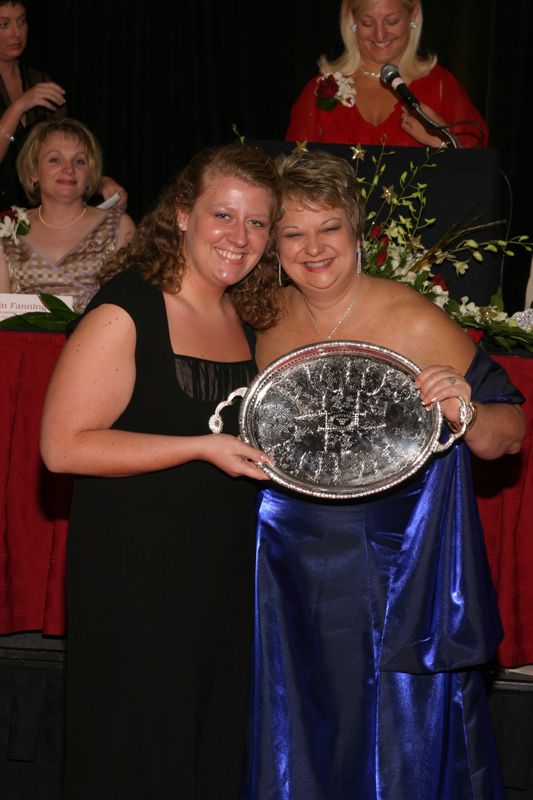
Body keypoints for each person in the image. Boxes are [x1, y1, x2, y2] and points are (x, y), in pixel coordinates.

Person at [239, 149, 525, 800]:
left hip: (387, 570)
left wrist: (467, 406)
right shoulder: (262, 314)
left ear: (356, 229)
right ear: (272, 244)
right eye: (292, 232)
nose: (313, 248)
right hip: (282, 564)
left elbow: (507, 436)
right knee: (300, 730)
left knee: (393, 741)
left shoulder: (407, 317)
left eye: (328, 228)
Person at [40, 142, 279, 800]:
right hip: (138, 579)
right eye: (223, 216)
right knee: (138, 753)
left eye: (256, 222)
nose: (239, 237)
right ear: (181, 214)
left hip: (221, 578)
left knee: (206, 749)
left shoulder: (244, 316)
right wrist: (196, 447)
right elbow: (62, 447)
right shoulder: (128, 308)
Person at [286, 0, 489, 148]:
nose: (380, 35)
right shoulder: (322, 89)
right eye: (367, 22)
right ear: (351, 19)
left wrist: (444, 142)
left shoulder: (440, 86)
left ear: (413, 14)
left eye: (391, 21)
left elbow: (478, 180)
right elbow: (291, 176)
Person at [0, 0, 127, 208]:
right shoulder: (32, 94)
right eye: (3, 24)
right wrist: (19, 106)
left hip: (39, 215)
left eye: (21, 22)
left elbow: (67, 153)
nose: (16, 33)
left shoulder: (40, 81)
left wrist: (101, 183)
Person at [0, 118, 135, 311]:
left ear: (91, 174)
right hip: (24, 341)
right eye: (55, 159)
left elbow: (129, 308)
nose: (69, 169)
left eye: (80, 161)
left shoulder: (118, 226)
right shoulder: (8, 230)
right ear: (33, 171)